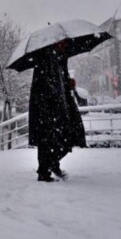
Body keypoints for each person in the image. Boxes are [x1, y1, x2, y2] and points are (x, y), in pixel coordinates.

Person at [29, 47, 87, 183]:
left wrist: (69, 83)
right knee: (48, 138)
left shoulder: (60, 56)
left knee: (66, 135)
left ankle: (52, 165)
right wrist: (57, 92)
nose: (66, 43)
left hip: (59, 104)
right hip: (48, 106)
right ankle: (45, 171)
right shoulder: (45, 56)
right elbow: (46, 83)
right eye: (63, 41)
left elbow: (61, 78)